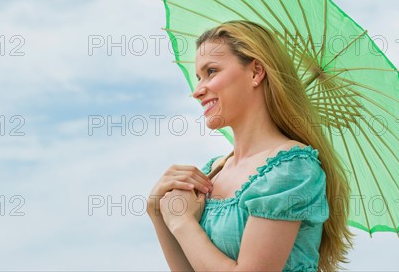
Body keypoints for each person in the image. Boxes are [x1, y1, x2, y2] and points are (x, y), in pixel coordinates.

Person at [147, 20, 353, 272]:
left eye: (211, 71)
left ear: (255, 72)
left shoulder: (291, 168)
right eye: (198, 77)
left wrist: (181, 222)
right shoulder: (214, 170)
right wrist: (158, 212)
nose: (197, 91)